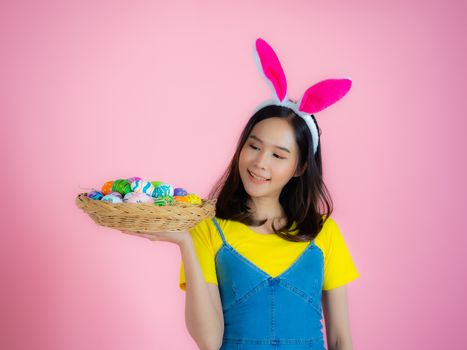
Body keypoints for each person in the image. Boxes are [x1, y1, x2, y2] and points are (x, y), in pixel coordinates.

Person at [122, 38, 360, 350]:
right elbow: (208, 340)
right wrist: (183, 242)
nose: (260, 163)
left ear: (300, 167)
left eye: (278, 155)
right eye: (254, 146)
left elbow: (342, 339)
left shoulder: (325, 233)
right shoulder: (206, 230)